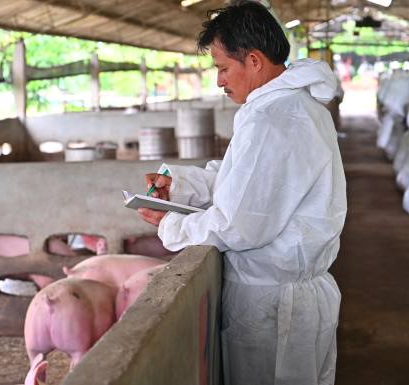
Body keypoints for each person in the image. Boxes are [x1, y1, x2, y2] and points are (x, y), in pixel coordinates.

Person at [136, 2, 347, 384]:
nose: (219, 80)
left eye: (222, 68)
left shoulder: (271, 118)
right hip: (293, 298)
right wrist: (181, 186)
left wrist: (172, 225)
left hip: (272, 309)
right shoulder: (293, 106)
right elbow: (246, 183)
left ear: (253, 60)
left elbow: (238, 225)